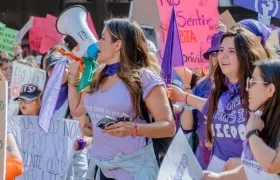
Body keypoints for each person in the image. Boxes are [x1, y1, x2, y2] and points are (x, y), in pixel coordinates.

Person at [68, 18, 175, 180]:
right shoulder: (97, 74)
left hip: (134, 172)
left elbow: (169, 126)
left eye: (103, 38)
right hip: (103, 169)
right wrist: (73, 76)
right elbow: (76, 109)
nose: (98, 43)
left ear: (117, 45)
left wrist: (133, 128)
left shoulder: (145, 78)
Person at [167, 27, 269, 173]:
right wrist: (184, 97)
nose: (222, 56)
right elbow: (209, 107)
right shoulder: (219, 91)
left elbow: (274, 140)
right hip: (216, 170)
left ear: (245, 55)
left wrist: (247, 160)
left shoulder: (259, 91)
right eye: (221, 50)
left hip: (249, 172)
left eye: (231, 51)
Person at [203, 59, 280, 179]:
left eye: (253, 82)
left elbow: (272, 165)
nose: (247, 88)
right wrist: (216, 177)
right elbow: (251, 169)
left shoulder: (254, 127)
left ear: (270, 89)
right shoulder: (258, 120)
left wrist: (252, 133)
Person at [180, 31, 223, 170]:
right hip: (203, 157)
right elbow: (187, 128)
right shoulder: (201, 85)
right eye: (214, 54)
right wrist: (187, 101)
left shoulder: (241, 86)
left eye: (221, 51)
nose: (219, 57)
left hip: (230, 159)